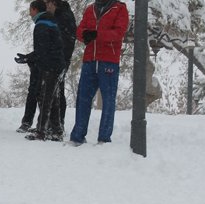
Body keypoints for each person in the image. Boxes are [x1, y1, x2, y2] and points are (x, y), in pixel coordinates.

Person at [69, 0, 128, 146]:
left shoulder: (119, 8)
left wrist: (97, 34)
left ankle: (104, 138)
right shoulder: (90, 9)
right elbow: (79, 30)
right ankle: (77, 137)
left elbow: (119, 33)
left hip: (108, 60)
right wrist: (84, 34)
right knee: (83, 98)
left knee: (108, 100)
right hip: (89, 60)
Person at [15, 0, 64, 141]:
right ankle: (56, 131)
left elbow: (41, 50)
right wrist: (29, 57)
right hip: (56, 64)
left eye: (30, 10)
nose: (29, 13)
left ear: (35, 9)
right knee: (53, 98)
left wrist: (27, 58)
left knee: (45, 98)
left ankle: (41, 132)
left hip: (51, 66)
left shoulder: (41, 24)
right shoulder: (49, 21)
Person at [46, 0, 77, 130]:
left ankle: (58, 124)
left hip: (61, 58)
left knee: (57, 89)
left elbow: (66, 39)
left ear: (53, 3)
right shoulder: (54, 16)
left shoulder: (65, 16)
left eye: (47, 3)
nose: (46, 6)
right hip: (52, 57)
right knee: (51, 90)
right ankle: (50, 123)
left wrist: (61, 58)